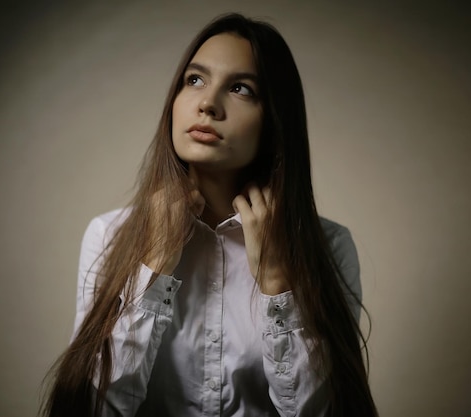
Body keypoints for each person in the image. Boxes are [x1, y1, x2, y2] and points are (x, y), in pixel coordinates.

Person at [41, 13, 378, 417]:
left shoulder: (330, 246)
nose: (207, 104)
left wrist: (278, 283)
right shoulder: (108, 234)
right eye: (195, 80)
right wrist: (153, 268)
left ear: (274, 119)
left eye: (240, 88)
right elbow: (90, 411)